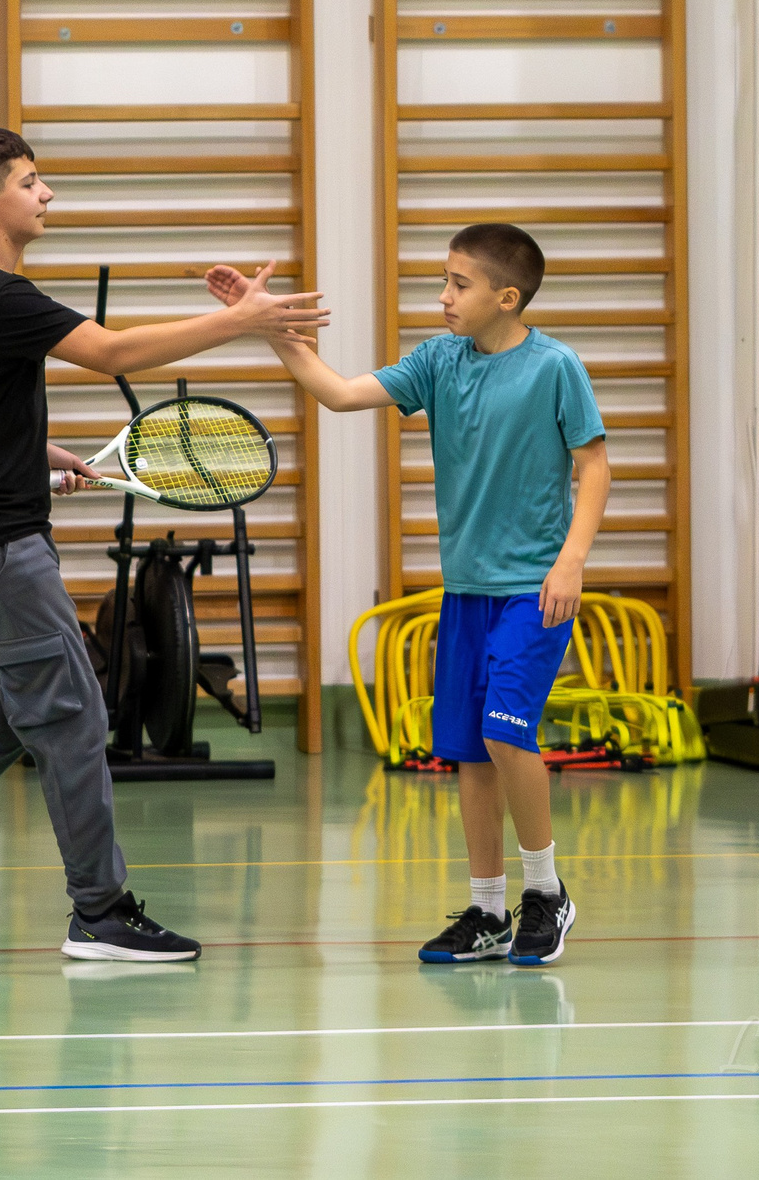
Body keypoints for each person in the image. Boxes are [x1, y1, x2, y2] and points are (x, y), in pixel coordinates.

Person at [0, 126, 328, 964]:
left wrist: (28, 450)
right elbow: (113, 352)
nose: (46, 196)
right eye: (31, 182)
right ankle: (101, 910)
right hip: (1, 551)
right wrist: (240, 321)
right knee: (75, 714)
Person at [207, 222, 607, 967]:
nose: (445, 296)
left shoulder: (557, 368)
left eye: (460, 283)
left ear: (506, 296)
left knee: (505, 729)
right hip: (465, 592)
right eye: (445, 280)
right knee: (469, 753)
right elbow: (337, 392)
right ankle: (488, 910)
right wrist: (269, 330)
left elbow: (595, 466)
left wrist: (572, 560)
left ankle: (545, 894)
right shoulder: (438, 362)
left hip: (534, 590)